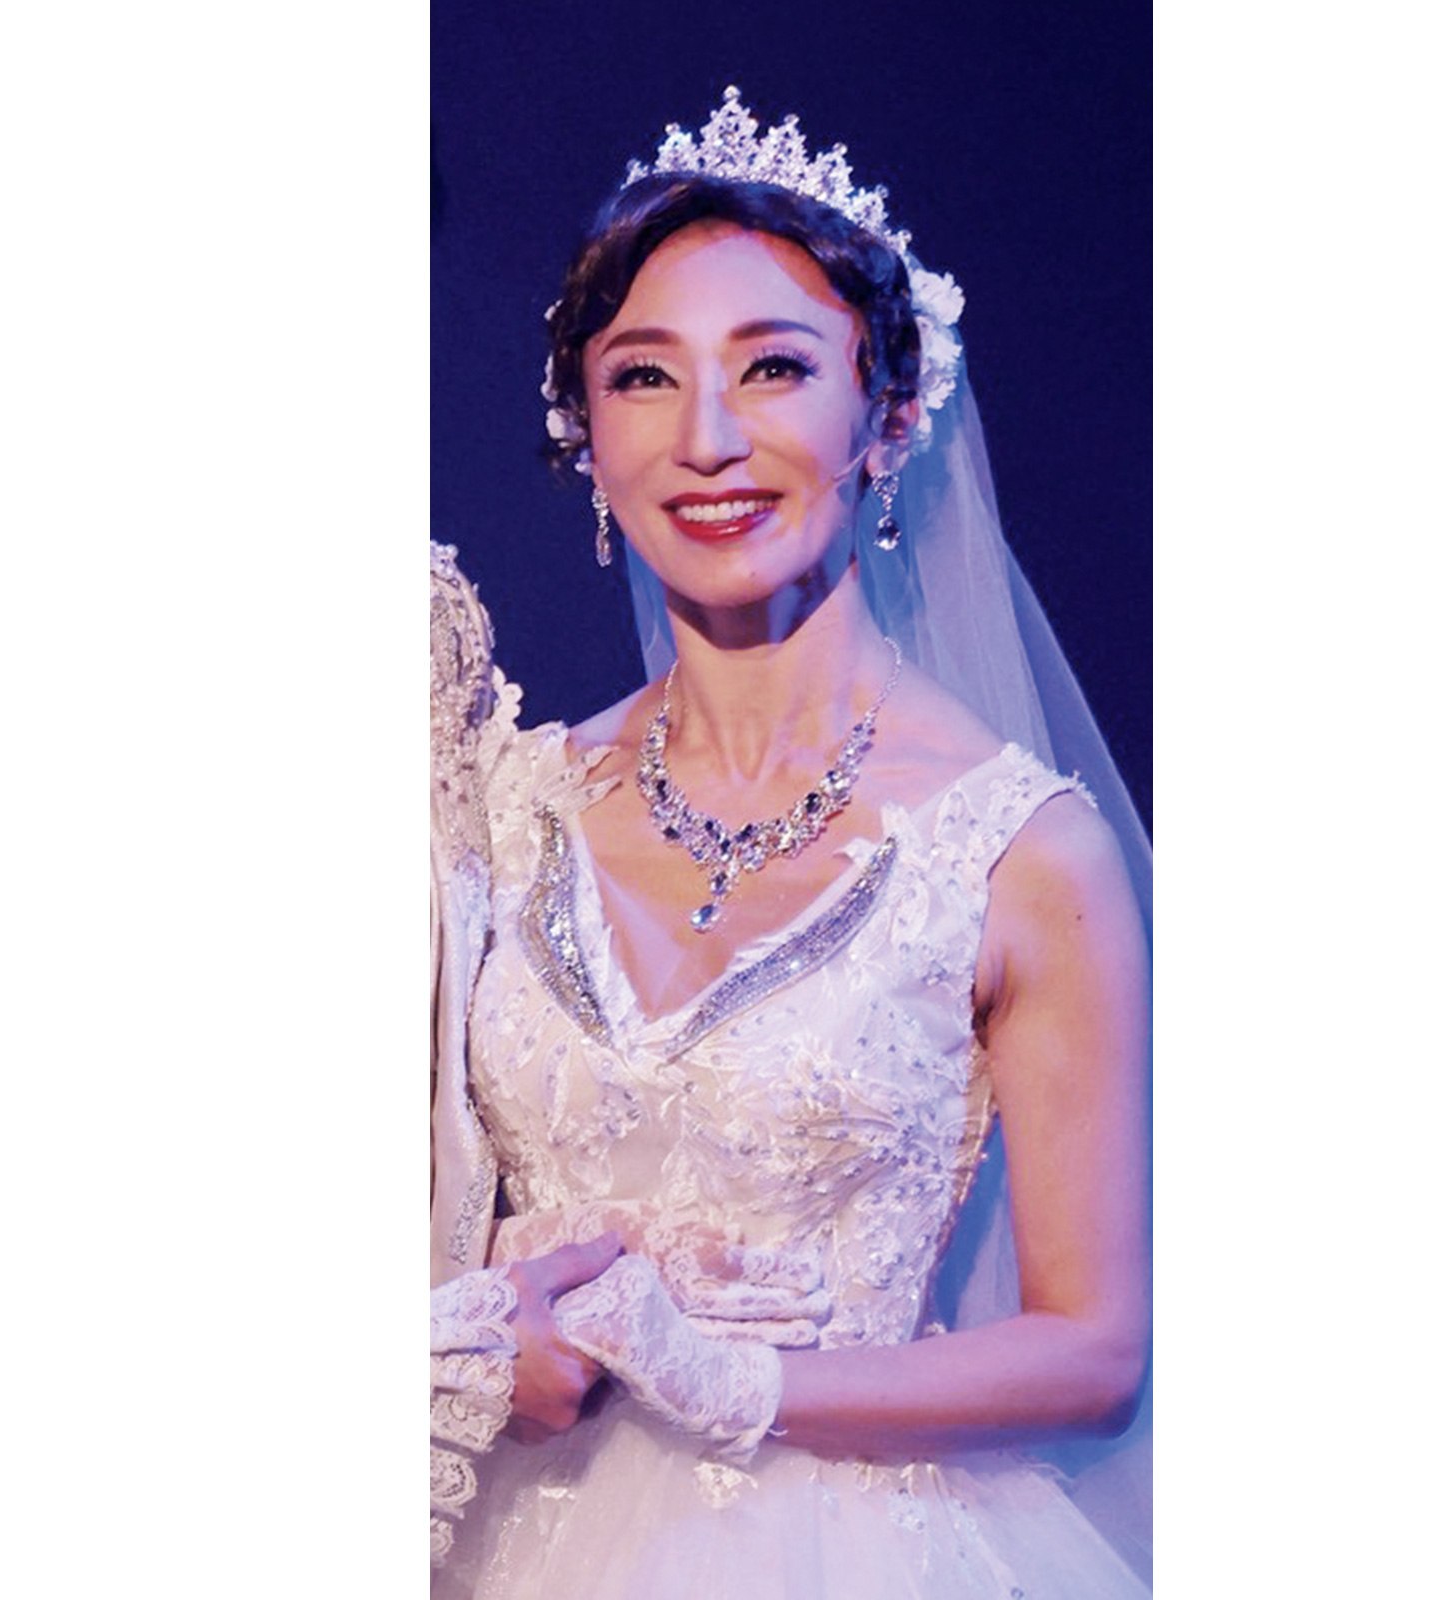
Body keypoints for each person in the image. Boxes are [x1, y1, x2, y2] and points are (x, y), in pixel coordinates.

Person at [431, 87, 1152, 1596]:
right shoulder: (500, 799)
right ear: (587, 441)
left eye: (774, 367)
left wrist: (740, 1382)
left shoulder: (1021, 853)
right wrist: (480, 1313)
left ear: (886, 415)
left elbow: (1094, 1350)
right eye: (643, 378)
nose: (708, 439)